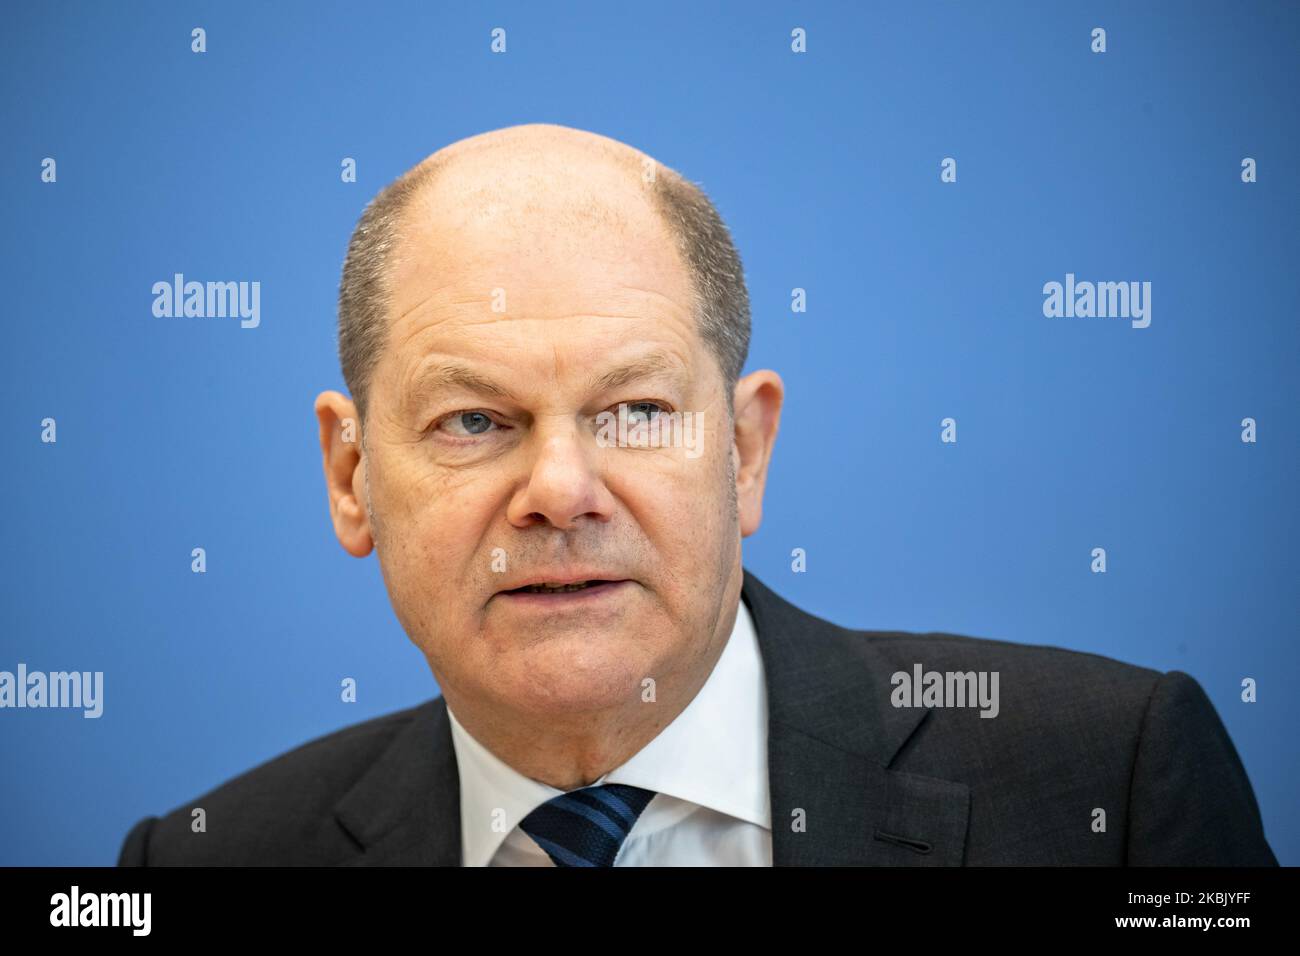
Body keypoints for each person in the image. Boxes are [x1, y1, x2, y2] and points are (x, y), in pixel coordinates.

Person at [117, 124, 1277, 866]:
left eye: (633, 411)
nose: (560, 490)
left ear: (745, 450)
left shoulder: (1112, 788)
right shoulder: (203, 861)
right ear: (352, 475)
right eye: (475, 420)